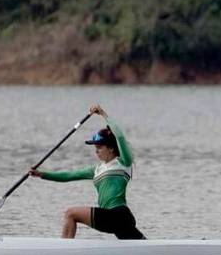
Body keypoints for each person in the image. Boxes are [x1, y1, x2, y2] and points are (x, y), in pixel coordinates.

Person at [30, 103, 145, 240]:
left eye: (99, 147)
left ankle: (64, 250)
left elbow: (119, 136)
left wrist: (103, 114)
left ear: (111, 148)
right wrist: (42, 174)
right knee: (146, 249)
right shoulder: (96, 169)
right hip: (115, 220)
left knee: (70, 214)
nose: (96, 151)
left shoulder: (123, 163)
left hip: (118, 215)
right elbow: (69, 175)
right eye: (95, 147)